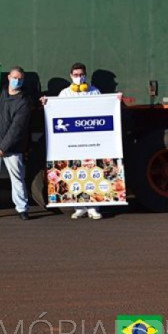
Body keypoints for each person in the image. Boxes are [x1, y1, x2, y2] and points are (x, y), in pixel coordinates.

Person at [42, 62, 103, 220]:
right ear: (71, 76)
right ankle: (79, 207)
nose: (79, 77)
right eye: (76, 75)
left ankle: (93, 207)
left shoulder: (94, 92)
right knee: (75, 171)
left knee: (92, 171)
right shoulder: (64, 93)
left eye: (81, 74)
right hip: (72, 141)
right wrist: (46, 103)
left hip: (90, 139)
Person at [0, 66, 32, 221]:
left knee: (17, 178)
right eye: (14, 77)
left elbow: (17, 128)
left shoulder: (24, 102)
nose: (17, 81)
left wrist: (3, 147)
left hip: (12, 148)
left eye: (20, 78)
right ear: (9, 77)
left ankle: (22, 209)